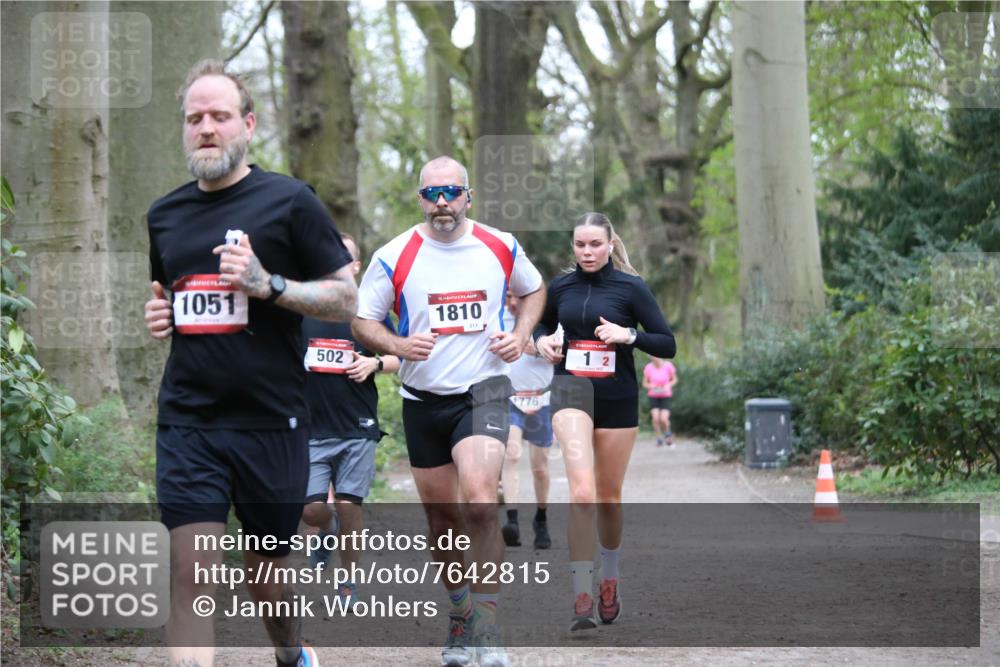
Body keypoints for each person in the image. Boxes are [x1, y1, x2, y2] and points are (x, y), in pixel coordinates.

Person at [143, 59, 357, 667]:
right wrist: (163, 318)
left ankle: (291, 654)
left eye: (219, 116)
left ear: (248, 125)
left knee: (266, 572)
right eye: (194, 118)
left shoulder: (290, 202)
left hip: (271, 423)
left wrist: (270, 283)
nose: (205, 128)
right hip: (189, 422)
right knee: (192, 571)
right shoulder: (164, 215)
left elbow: (345, 299)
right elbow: (174, 296)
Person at [352, 156, 544, 667]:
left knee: (480, 502)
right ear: (420, 199)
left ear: (468, 196)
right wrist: (397, 342)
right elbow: (362, 320)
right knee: (442, 518)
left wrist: (521, 334)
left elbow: (535, 289)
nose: (442, 203)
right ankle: (459, 617)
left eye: (451, 192)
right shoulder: (394, 256)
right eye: (432, 194)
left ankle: (487, 626)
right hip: (423, 399)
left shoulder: (500, 244)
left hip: (483, 390)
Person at [534, 212, 675, 631]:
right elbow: (540, 322)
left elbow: (667, 343)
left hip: (616, 397)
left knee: (609, 497)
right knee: (581, 492)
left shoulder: (631, 288)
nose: (587, 252)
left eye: (595, 244)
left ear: (610, 244)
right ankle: (581, 593)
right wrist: (542, 341)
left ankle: (608, 577)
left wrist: (628, 336)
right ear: (573, 247)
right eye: (580, 245)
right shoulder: (560, 287)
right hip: (570, 391)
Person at [299, 234, 401, 608]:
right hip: (311, 427)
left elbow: (400, 356)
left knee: (349, 505)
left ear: (356, 267)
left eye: (343, 259)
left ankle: (348, 580)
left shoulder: (369, 310)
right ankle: (325, 531)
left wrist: (374, 362)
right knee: (311, 509)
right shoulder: (301, 310)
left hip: (356, 425)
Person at [499, 291, 555, 551]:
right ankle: (512, 522)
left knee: (540, 467)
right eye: (508, 296)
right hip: (510, 398)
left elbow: (565, 351)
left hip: (541, 399)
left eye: (519, 297)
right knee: (510, 454)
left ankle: (541, 518)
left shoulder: (545, 321)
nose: (512, 303)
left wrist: (542, 348)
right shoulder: (496, 318)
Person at [643, 356, 678, 447]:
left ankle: (668, 434)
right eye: (652, 357)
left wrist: (668, 385)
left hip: (666, 395)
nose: (655, 359)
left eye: (656, 357)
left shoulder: (668, 366)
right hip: (653, 395)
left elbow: (674, 379)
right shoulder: (648, 367)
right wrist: (651, 386)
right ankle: (659, 438)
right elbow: (644, 383)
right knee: (655, 418)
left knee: (663, 419)